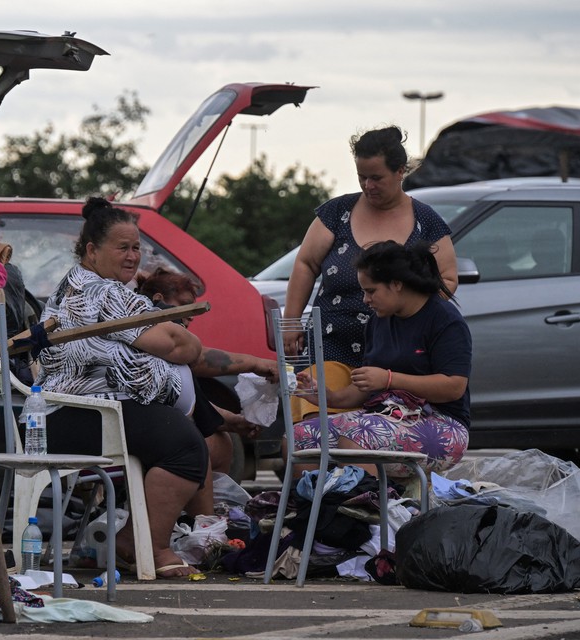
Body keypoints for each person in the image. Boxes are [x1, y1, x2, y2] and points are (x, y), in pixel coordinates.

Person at [33, 197, 208, 578]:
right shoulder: (104, 292)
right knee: (185, 447)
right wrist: (184, 343)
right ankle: (148, 545)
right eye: (122, 247)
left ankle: (157, 535)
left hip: (79, 411)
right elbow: (176, 345)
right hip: (80, 415)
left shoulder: (85, 284)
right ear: (92, 250)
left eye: (136, 248)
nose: (132, 256)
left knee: (193, 427)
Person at [283, 125, 458, 369]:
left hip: (396, 349)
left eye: (376, 178)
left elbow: (448, 279)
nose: (368, 185)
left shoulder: (427, 221)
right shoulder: (336, 212)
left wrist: (408, 308)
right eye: (361, 177)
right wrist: (291, 323)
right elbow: (305, 264)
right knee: (321, 406)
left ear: (400, 172)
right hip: (329, 344)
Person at [292, 240, 471, 477]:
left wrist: (389, 379)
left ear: (396, 284)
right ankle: (317, 510)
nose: (365, 299)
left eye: (370, 290)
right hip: (386, 414)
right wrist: (327, 396)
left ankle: (365, 509)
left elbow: (454, 387)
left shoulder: (445, 320)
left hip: (443, 425)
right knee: (298, 439)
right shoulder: (378, 320)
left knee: (358, 439)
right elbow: (366, 386)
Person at [135, 267, 279, 475]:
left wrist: (233, 421)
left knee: (216, 443)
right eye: (184, 306)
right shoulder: (151, 333)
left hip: (150, 426)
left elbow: (192, 400)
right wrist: (254, 363)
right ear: (158, 299)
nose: (191, 317)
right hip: (141, 430)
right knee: (202, 448)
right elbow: (199, 359)